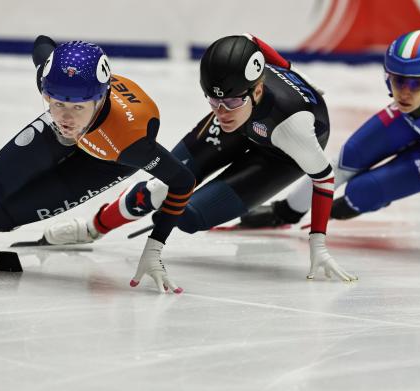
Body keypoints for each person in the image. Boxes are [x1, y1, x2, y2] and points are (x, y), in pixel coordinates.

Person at [0, 35, 197, 292]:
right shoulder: (57, 84)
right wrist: (66, 105)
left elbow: (182, 180)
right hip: (72, 134)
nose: (65, 117)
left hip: (107, 159)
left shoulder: (132, 143)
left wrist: (154, 247)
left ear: (101, 98)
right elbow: (43, 44)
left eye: (77, 107)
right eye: (55, 104)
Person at [37, 34, 358, 282]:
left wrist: (319, 245)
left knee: (189, 217)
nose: (220, 112)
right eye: (213, 102)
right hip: (248, 125)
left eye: (230, 103)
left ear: (256, 92)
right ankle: (93, 227)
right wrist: (286, 69)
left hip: (281, 154)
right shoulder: (230, 104)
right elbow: (250, 39)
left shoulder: (294, 128)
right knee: (161, 186)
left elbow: (324, 178)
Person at [238, 30, 420, 261]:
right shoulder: (409, 99)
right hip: (410, 120)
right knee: (347, 158)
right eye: (398, 81)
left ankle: (350, 206)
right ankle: (286, 212)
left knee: (364, 191)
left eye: (416, 84)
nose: (405, 92)